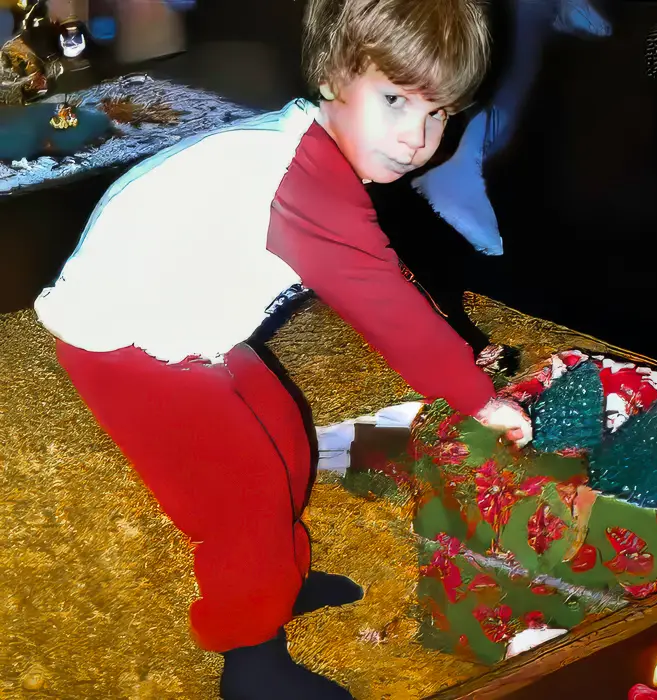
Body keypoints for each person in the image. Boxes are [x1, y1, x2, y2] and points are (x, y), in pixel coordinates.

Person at [32, 0, 528, 696]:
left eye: (438, 113)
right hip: (128, 341)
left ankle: (279, 577)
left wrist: (454, 340)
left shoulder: (312, 156)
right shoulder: (302, 177)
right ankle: (251, 657)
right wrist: (477, 397)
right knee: (244, 495)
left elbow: (378, 271)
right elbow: (384, 304)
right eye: (394, 100)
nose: (418, 137)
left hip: (188, 319)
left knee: (287, 442)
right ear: (333, 74)